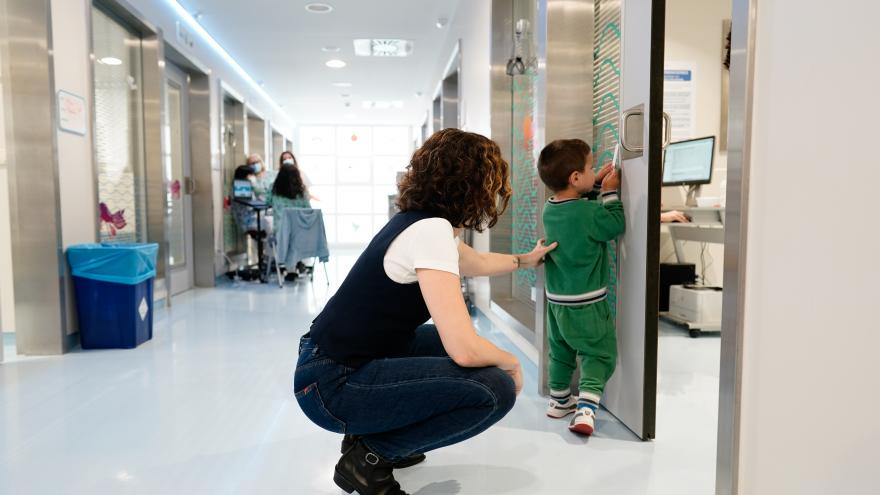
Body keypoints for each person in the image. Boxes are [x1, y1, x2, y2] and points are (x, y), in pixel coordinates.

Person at [294, 128, 556, 495]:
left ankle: (366, 434)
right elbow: (464, 348)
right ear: (474, 185)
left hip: (323, 364)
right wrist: (511, 362)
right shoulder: (430, 231)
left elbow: (475, 261)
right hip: (330, 387)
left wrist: (524, 260)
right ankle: (370, 457)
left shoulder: (418, 222)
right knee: (494, 387)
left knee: (439, 344)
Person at [537, 138, 625, 436]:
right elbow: (613, 224)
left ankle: (559, 401)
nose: (593, 171)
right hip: (587, 302)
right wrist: (610, 192)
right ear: (575, 178)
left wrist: (596, 182)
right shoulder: (589, 214)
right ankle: (586, 410)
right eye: (590, 168)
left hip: (557, 302)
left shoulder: (550, 209)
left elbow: (579, 208)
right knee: (597, 353)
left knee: (560, 351)